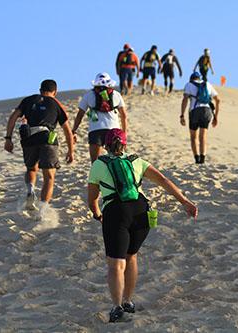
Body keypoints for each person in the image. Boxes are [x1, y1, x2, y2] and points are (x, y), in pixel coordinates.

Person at [88, 128, 198, 322]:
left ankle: (117, 307)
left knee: (116, 264)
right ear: (124, 144)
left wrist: (98, 215)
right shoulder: (136, 161)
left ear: (105, 145)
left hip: (116, 212)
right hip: (141, 211)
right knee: (131, 257)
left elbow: (92, 199)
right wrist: (185, 202)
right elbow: (163, 180)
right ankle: (128, 301)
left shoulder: (98, 164)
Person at [4, 79, 74, 210]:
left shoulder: (28, 100)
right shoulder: (56, 104)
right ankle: (42, 208)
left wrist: (8, 138)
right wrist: (71, 151)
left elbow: (13, 117)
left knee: (31, 168)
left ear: (40, 90)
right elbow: (67, 131)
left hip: (29, 138)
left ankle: (30, 189)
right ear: (55, 92)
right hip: (47, 139)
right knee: (49, 177)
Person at [71, 73, 127, 162]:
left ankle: (98, 175)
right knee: (116, 159)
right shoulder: (116, 94)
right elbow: (123, 116)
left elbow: (80, 115)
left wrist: (74, 130)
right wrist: (124, 133)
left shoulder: (88, 95)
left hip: (95, 130)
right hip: (113, 130)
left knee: (95, 162)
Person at [180, 72, 220, 164]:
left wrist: (182, 115)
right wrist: (216, 117)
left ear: (191, 79)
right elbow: (218, 100)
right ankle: (202, 159)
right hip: (207, 111)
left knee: (193, 136)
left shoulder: (189, 85)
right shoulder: (207, 84)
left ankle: (197, 159)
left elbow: (185, 99)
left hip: (194, 111)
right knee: (203, 136)